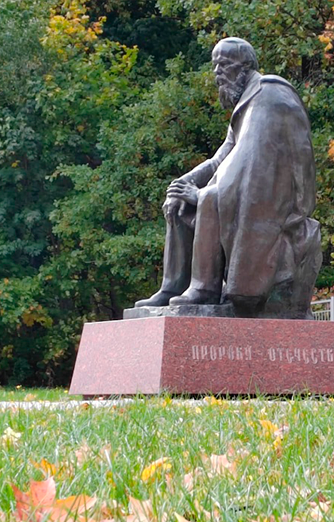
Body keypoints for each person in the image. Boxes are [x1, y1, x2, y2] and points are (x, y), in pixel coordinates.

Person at [134, 37, 321, 318]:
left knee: (208, 198)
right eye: (215, 65)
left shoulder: (269, 94)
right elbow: (224, 155)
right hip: (247, 187)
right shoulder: (245, 101)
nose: (217, 72)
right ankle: (173, 286)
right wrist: (186, 181)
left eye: (224, 64)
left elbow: (251, 160)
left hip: (276, 198)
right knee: (180, 200)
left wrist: (203, 193)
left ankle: (204, 288)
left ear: (245, 66)